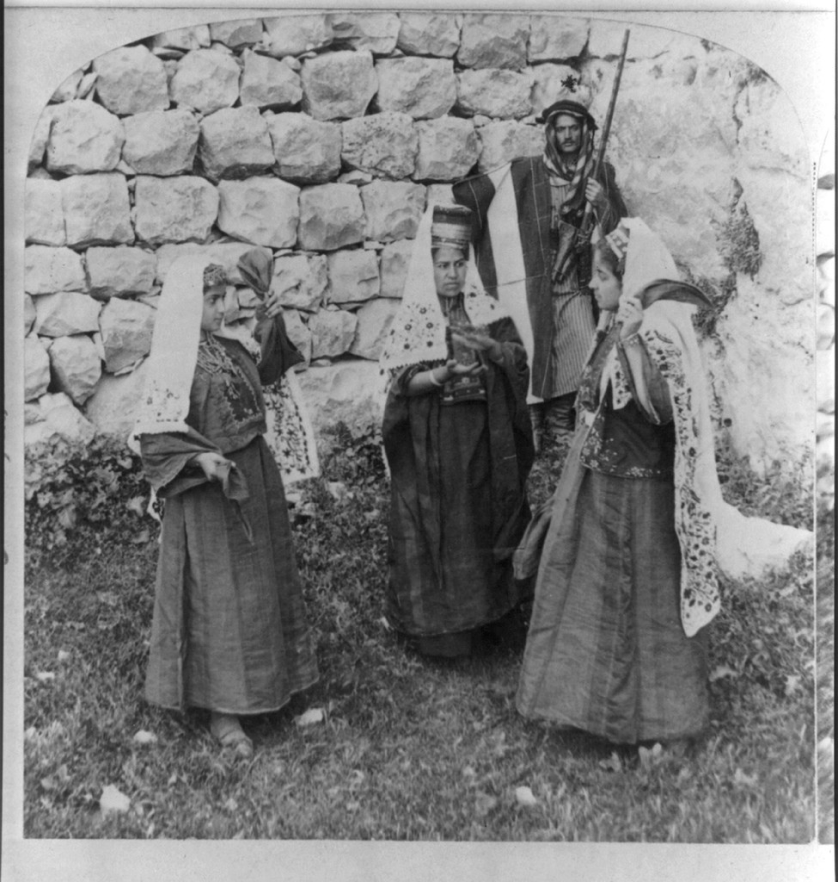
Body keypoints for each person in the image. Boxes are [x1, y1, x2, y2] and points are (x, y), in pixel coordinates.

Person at [516, 218, 723, 746]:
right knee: (592, 599)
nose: (592, 285)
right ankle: (587, 712)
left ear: (627, 281)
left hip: (644, 496)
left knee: (647, 606)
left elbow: (659, 411)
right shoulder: (610, 328)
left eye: (601, 276)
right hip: (600, 487)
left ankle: (660, 721)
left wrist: (633, 341)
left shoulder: (658, 334)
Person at [131, 254, 319, 758]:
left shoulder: (229, 348)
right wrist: (204, 461)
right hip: (209, 497)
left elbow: (270, 372)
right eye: (212, 300)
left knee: (261, 587)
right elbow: (156, 441)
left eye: (225, 296)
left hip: (255, 479)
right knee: (221, 599)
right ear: (185, 305)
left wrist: (270, 321)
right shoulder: (173, 363)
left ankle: (271, 687)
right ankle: (224, 711)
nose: (225, 306)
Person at [379, 204, 535, 658]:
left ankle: (490, 619)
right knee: (444, 528)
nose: (451, 274)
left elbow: (518, 360)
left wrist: (495, 352)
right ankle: (443, 632)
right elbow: (401, 383)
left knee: (483, 523)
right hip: (437, 447)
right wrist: (440, 377)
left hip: (485, 442)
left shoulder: (487, 313)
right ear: (429, 268)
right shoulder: (416, 320)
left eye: (459, 264)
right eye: (443, 265)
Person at [453, 95, 627, 455]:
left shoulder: (600, 174)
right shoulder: (529, 172)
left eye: (573, 129)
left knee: (581, 349)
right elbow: (495, 200)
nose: (567, 136)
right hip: (536, 284)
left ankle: (562, 423)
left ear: (585, 131)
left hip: (578, 284)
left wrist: (602, 204)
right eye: (560, 129)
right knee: (532, 350)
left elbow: (620, 232)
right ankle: (531, 425)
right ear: (551, 133)